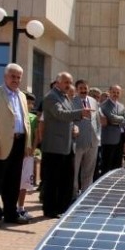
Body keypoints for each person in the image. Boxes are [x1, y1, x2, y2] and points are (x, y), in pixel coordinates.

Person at [0, 63, 33, 227]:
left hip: (19, 143)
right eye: (13, 76)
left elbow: (26, 122)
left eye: (18, 77)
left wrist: (28, 144)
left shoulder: (22, 96)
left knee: (13, 181)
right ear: (5, 77)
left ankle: (11, 213)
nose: (16, 79)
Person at [41, 72, 92, 218]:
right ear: (57, 82)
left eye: (70, 82)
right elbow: (60, 114)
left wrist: (74, 127)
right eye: (66, 82)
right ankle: (50, 209)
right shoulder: (51, 97)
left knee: (66, 179)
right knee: (53, 180)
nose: (69, 85)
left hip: (67, 145)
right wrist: (81, 113)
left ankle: (62, 207)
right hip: (55, 147)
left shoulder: (64, 97)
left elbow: (68, 118)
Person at [72, 79, 101, 195]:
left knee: (89, 171)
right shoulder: (71, 101)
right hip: (77, 142)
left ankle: (85, 194)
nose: (84, 91)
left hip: (93, 142)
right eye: (81, 88)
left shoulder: (93, 101)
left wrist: (98, 137)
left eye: (85, 88)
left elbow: (97, 121)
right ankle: (73, 195)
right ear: (77, 89)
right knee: (74, 171)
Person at [17, 92, 38, 219]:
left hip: (28, 154)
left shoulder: (33, 118)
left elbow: (36, 136)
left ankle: (21, 207)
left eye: (31, 103)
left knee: (25, 182)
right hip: (16, 153)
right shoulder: (17, 116)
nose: (29, 105)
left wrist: (33, 149)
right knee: (15, 182)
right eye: (27, 102)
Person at [99, 84, 125, 173]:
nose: (116, 94)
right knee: (107, 165)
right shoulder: (105, 105)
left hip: (119, 139)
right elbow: (111, 117)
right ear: (109, 92)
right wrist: (121, 119)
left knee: (117, 165)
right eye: (113, 92)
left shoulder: (121, 106)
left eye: (118, 92)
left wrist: (116, 121)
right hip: (108, 139)